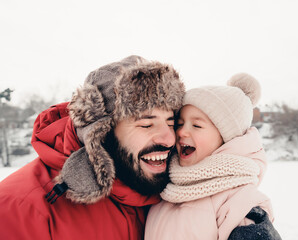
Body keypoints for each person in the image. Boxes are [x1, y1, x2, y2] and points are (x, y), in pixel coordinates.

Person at [0, 55, 185, 240]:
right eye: (146, 125)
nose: (169, 139)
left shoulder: (180, 194)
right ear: (102, 132)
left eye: (171, 122)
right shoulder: (20, 208)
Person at [145, 73, 282, 240]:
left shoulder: (239, 202)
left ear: (225, 139)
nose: (182, 131)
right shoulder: (163, 187)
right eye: (179, 124)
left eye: (196, 125)